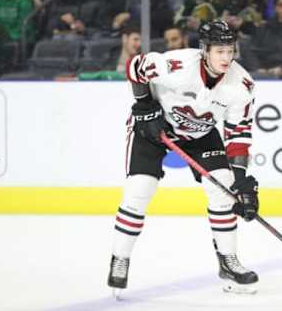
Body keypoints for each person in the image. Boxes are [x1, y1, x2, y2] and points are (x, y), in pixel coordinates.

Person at [107, 20, 260, 296]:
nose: (226, 58)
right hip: (153, 129)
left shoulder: (242, 85)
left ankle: (228, 262)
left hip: (200, 135)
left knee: (223, 188)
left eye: (230, 51)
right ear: (205, 50)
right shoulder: (177, 65)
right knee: (139, 190)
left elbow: (238, 133)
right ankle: (120, 258)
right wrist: (145, 105)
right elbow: (134, 67)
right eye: (219, 51)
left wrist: (241, 181)